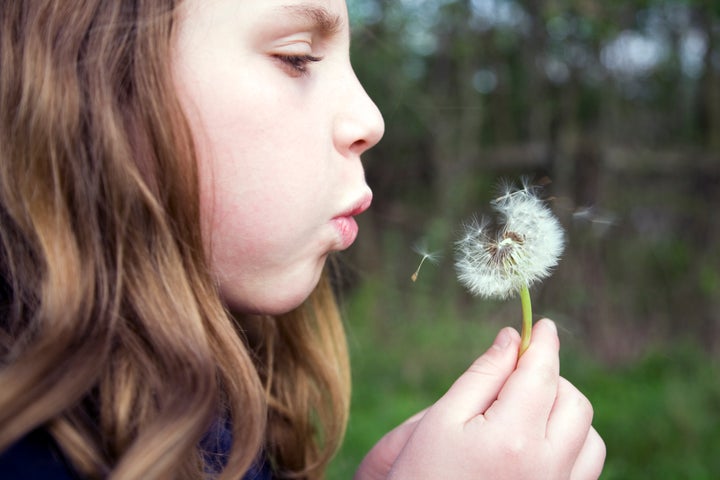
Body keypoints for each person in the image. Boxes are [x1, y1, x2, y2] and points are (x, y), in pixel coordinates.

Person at [0, 1, 606, 479]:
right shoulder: (30, 451)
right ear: (100, 83)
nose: (371, 119)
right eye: (298, 56)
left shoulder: (222, 404)